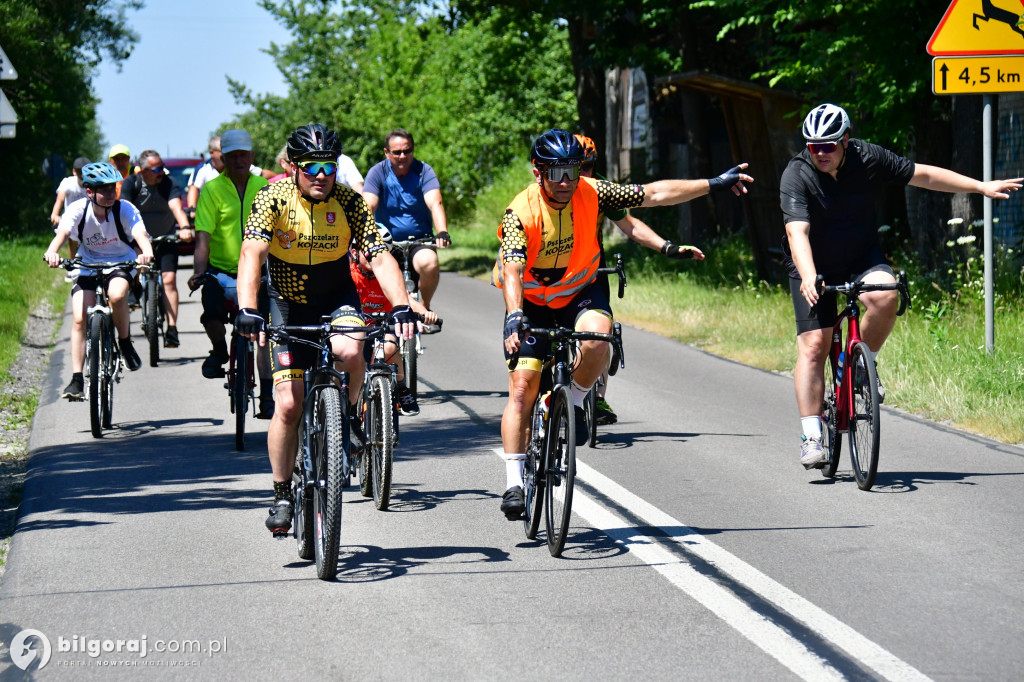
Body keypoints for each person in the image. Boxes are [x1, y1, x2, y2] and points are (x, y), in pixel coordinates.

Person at [496, 128, 751, 519]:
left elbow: (653, 194)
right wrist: (514, 315)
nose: (566, 182)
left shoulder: (593, 191)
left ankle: (577, 401)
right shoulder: (521, 211)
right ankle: (514, 481)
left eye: (572, 171)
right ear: (537, 172)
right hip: (530, 302)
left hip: (580, 289)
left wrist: (714, 184)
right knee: (521, 391)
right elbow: (512, 270)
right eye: (556, 173)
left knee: (599, 340)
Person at [780, 103, 1022, 469]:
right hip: (812, 264)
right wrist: (810, 274)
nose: (822, 153)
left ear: (846, 140)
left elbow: (922, 175)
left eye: (829, 145)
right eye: (814, 146)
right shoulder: (796, 174)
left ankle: (862, 366)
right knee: (814, 345)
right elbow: (797, 231)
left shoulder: (869, 158)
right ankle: (812, 434)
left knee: (887, 291)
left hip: (861, 255)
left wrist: (979, 186)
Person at [234, 123, 417, 536]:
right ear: (295, 167)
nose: (321, 174)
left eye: (329, 166)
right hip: (285, 302)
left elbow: (380, 255)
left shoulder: (350, 201)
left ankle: (347, 418)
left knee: (352, 351)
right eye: (312, 166)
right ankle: (282, 493)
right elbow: (251, 251)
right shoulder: (273, 197)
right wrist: (247, 307)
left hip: (337, 297)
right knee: (287, 403)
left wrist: (403, 305)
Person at [574, 134, 707, 426]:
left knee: (600, 329)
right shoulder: (553, 186)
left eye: (589, 167)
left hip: (592, 265)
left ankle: (597, 397)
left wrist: (667, 247)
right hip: (555, 269)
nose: (583, 175)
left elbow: (630, 224)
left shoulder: (600, 188)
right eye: (577, 167)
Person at [43, 162, 154, 399]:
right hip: (88, 263)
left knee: (116, 295)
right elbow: (62, 235)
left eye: (112, 188)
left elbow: (140, 235)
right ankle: (76, 379)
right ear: (89, 192)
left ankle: (124, 343)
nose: (109, 194)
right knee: (80, 317)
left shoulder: (125, 209)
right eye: (102, 190)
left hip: (120, 261)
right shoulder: (77, 210)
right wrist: (52, 253)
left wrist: (146, 252)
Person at [187, 129, 277, 417]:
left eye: (243, 155)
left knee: (262, 332)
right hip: (221, 270)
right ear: (223, 158)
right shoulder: (212, 190)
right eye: (233, 155)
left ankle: (266, 395)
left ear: (251, 157)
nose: (239, 160)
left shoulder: (264, 186)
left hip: (258, 271)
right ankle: (219, 351)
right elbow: (203, 236)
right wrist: (198, 272)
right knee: (211, 315)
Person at [362, 128, 450, 313]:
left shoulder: (423, 171)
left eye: (407, 151)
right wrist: (364, 234)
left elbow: (435, 202)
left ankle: (424, 308)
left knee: (430, 263)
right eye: (397, 152)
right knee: (368, 265)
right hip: (387, 242)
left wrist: (442, 231)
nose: (403, 156)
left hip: (419, 240)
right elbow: (369, 205)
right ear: (387, 152)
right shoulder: (378, 172)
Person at [349, 234, 438, 416]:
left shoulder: (386, 275)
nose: (372, 257)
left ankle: (402, 388)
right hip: (356, 328)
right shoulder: (349, 275)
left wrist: (424, 312)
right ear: (354, 252)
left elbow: (405, 298)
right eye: (366, 252)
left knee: (389, 348)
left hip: (383, 326)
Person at [121, 150, 195, 349]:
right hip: (139, 240)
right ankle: (135, 287)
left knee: (169, 280)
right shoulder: (131, 184)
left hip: (166, 238)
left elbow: (176, 207)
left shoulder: (168, 183)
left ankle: (172, 328)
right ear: (143, 170)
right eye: (156, 169)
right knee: (134, 268)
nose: (161, 172)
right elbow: (123, 211)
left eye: (162, 167)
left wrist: (185, 227)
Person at [186, 136, 274, 210]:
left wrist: (283, 178)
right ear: (212, 152)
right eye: (223, 152)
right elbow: (194, 188)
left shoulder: (238, 166)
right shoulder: (203, 169)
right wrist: (192, 209)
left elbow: (262, 173)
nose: (227, 155)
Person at [49, 156, 91, 227]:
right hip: (70, 221)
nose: (82, 173)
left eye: (86, 170)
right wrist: (55, 214)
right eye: (79, 170)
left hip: (89, 222)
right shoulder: (67, 182)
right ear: (74, 171)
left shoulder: (95, 185)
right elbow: (60, 200)